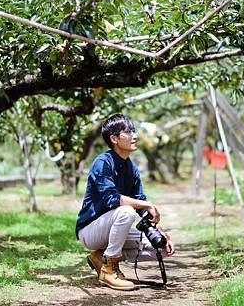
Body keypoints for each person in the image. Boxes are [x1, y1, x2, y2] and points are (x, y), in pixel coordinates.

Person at [75, 113, 175, 291]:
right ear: (114, 138)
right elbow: (112, 199)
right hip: (90, 231)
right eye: (128, 132)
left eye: (134, 131)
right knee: (126, 211)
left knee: (161, 248)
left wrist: (159, 230)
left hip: (112, 228)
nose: (135, 135)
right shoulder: (102, 163)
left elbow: (140, 201)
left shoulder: (131, 167)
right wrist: (147, 205)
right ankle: (109, 269)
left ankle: (100, 256)